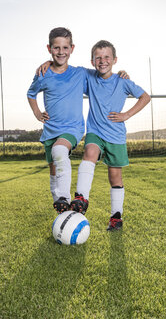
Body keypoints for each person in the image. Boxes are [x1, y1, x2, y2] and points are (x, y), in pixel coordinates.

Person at [70, 40, 151, 231]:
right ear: (92, 61)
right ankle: (81, 197)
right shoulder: (88, 77)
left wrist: (126, 115)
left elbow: (145, 97)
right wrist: (48, 64)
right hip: (95, 131)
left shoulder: (122, 81)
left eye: (107, 57)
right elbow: (65, 69)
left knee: (115, 178)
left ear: (114, 60)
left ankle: (116, 218)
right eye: (98, 57)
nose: (102, 61)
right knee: (89, 151)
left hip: (115, 136)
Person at [27, 27, 86, 213]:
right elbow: (31, 93)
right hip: (51, 130)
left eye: (65, 48)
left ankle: (65, 198)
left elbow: (103, 75)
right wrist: (37, 112)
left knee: (60, 150)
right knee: (53, 171)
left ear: (72, 48)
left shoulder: (80, 74)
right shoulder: (43, 73)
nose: (61, 52)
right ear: (49, 48)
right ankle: (62, 211)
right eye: (56, 48)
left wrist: (122, 72)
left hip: (73, 128)